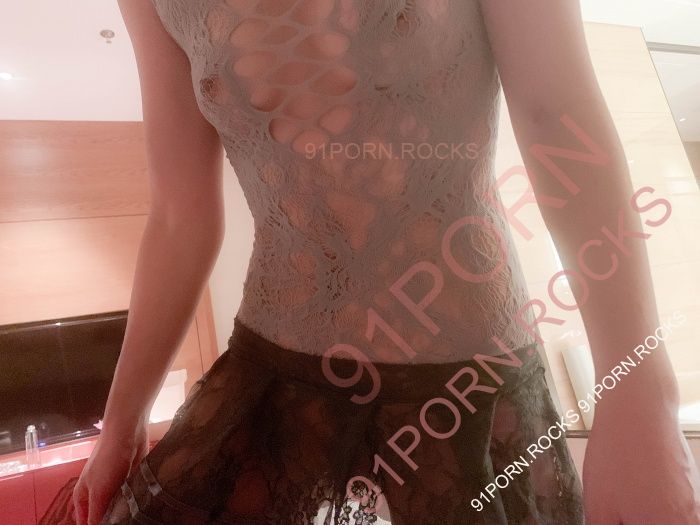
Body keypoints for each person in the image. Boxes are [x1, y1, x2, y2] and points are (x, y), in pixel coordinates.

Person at [39, 0, 700, 524]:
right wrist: (120, 424)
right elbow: (178, 217)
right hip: (273, 373)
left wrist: (640, 392)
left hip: (469, 383)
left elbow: (558, 117)